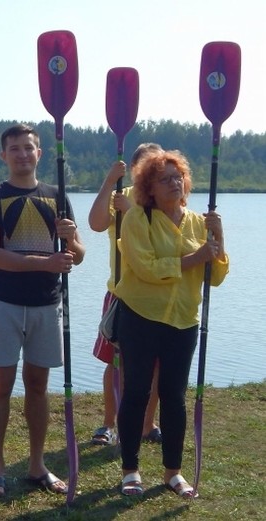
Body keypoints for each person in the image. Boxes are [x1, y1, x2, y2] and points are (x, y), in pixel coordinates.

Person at [0, 124, 85, 497]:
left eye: (29, 148)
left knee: (38, 386)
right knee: (1, 385)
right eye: (15, 149)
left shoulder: (59, 196)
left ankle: (37, 464)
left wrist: (70, 239)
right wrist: (46, 262)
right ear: (3, 156)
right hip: (4, 302)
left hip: (46, 304)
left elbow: (77, 256)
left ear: (39, 154)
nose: (22, 154)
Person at [116, 149, 227, 499]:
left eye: (177, 176)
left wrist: (219, 238)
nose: (174, 183)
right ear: (148, 186)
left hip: (183, 320)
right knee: (136, 392)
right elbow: (147, 267)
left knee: (174, 397)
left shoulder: (198, 222)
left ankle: (172, 473)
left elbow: (217, 275)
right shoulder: (137, 219)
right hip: (140, 316)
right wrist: (195, 257)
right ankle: (130, 469)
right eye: (164, 178)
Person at [87, 143, 163, 447]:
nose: (150, 172)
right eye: (143, 166)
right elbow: (95, 223)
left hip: (158, 293)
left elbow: (161, 237)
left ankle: (148, 423)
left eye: (156, 167)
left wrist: (130, 212)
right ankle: (109, 424)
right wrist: (108, 181)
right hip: (121, 292)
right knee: (115, 361)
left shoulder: (166, 198)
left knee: (156, 364)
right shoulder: (121, 193)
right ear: (133, 169)